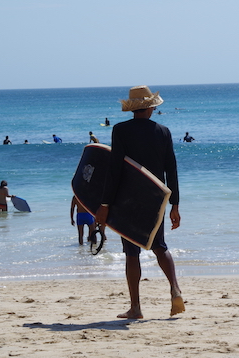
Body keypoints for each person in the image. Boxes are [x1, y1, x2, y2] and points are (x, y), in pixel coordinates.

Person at [96, 85, 184, 319]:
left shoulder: (120, 130)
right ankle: (175, 288)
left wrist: (104, 205)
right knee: (159, 246)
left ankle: (135, 307)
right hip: (156, 198)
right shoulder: (163, 131)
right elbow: (171, 169)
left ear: (133, 108)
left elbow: (114, 170)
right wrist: (175, 204)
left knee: (131, 252)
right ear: (152, 106)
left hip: (128, 200)